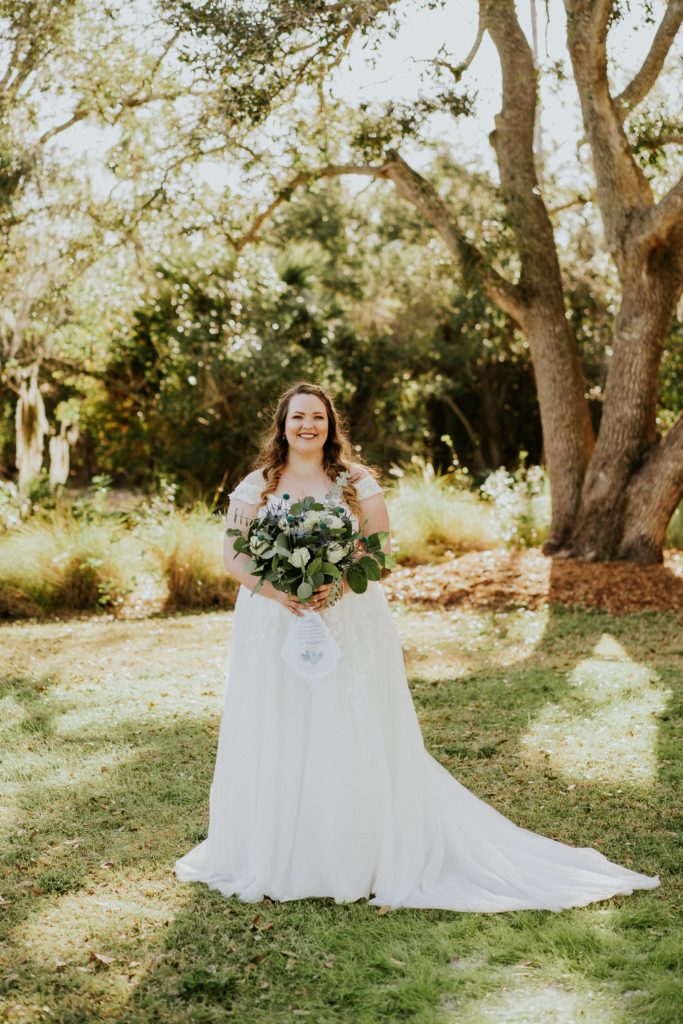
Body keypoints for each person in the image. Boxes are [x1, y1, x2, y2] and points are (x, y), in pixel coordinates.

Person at [174, 381, 660, 911]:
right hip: (272, 621)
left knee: (346, 721)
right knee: (281, 718)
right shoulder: (257, 486)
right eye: (298, 418)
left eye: (317, 416)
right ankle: (274, 848)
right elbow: (235, 557)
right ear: (282, 426)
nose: (307, 426)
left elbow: (379, 556)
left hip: (347, 618)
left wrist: (333, 583)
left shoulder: (356, 482)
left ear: (331, 425)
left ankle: (351, 852)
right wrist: (280, 592)